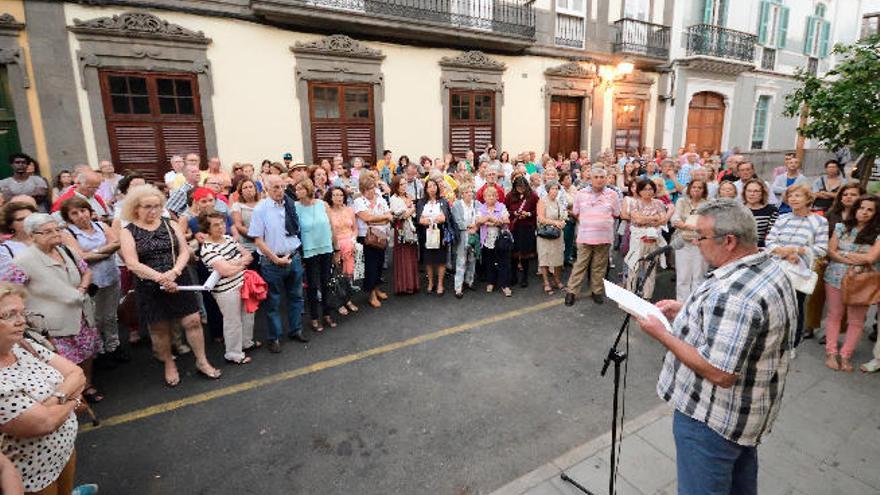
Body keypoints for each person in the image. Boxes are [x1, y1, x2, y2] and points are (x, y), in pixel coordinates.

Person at [637, 199, 796, 495]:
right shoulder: (767, 268)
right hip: (744, 418)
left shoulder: (734, 295)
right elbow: (741, 325)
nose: (697, 243)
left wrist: (662, 334)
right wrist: (687, 308)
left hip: (711, 421)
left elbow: (720, 373)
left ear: (730, 241)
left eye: (702, 237)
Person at [119, 185, 221, 385]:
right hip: (149, 286)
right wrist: (160, 278)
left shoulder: (170, 224)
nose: (153, 210)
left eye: (157, 206)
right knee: (159, 329)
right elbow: (132, 263)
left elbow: (184, 252)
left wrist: (173, 273)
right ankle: (168, 363)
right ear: (135, 208)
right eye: (148, 206)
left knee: (192, 321)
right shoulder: (128, 231)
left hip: (178, 279)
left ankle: (202, 361)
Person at [0, 282, 90, 495]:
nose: (21, 321)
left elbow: (77, 373)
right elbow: (44, 424)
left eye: (22, 313)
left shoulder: (21, 345)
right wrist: (73, 399)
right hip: (33, 473)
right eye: (10, 315)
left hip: (63, 450)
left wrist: (54, 400)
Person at [4, 214, 104, 403]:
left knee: (87, 351)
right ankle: (74, 394)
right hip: (51, 321)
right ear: (32, 235)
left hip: (81, 314)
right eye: (48, 231)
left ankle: (87, 384)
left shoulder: (65, 250)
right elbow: (10, 290)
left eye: (57, 229)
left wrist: (82, 288)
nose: (56, 234)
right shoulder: (22, 261)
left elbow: (86, 271)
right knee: (64, 360)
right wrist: (23, 313)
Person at [59, 197, 124, 362]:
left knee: (110, 315)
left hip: (112, 276)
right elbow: (79, 257)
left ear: (89, 211)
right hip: (91, 283)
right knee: (94, 318)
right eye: (75, 213)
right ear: (69, 218)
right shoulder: (68, 233)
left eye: (83, 210)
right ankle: (99, 350)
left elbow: (117, 243)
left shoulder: (102, 226)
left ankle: (113, 345)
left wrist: (93, 253)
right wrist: (104, 252)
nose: (81, 215)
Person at [248, 175, 308, 353]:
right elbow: (258, 240)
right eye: (275, 187)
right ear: (266, 189)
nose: (279, 191)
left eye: (282, 187)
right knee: (273, 302)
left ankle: (295, 330)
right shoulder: (260, 209)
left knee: (296, 296)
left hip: (293, 257)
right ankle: (274, 337)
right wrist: (275, 259)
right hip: (271, 262)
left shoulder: (291, 204)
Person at [821, 195, 880, 372]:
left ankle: (846, 355)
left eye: (870, 209)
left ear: (876, 213)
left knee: (856, 320)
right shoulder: (841, 227)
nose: (864, 212)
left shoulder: (877, 233)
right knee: (835, 315)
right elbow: (831, 251)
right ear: (855, 209)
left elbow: (871, 258)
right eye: (862, 208)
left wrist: (844, 255)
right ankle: (831, 352)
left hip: (862, 282)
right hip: (835, 277)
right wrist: (856, 259)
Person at [765, 184, 829, 344]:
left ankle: (792, 342)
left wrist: (798, 251)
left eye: (798, 195)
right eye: (791, 195)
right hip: (777, 268)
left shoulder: (820, 221)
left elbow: (821, 249)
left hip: (800, 271)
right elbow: (770, 242)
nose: (793, 198)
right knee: (774, 304)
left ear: (808, 199)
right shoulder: (782, 218)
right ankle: (772, 339)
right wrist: (785, 253)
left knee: (795, 306)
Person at [811, 183, 866, 343]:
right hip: (825, 259)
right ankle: (810, 326)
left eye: (853, 194)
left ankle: (832, 333)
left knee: (842, 301)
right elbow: (820, 236)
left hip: (850, 265)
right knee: (816, 295)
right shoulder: (831, 214)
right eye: (845, 194)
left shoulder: (863, 217)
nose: (848, 197)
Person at [198, 211, 256, 364]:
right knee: (232, 321)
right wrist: (239, 262)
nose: (221, 227)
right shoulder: (207, 249)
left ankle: (246, 343)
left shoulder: (229, 239)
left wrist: (232, 263)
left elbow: (249, 256)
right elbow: (226, 271)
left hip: (242, 283)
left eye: (222, 223)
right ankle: (234, 354)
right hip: (226, 290)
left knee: (247, 314)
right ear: (207, 228)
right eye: (216, 225)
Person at [564, 168, 620, 305]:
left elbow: (617, 213)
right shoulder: (581, 193)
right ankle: (571, 292)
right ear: (590, 179)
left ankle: (597, 291)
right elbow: (575, 212)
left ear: (606, 179)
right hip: (585, 236)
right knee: (580, 265)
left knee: (599, 266)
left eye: (602, 177)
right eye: (596, 177)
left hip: (604, 237)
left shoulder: (613, 194)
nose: (599, 179)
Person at [294, 177, 336, 332]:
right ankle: (314, 317)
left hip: (326, 248)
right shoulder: (295, 207)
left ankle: (327, 314)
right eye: (296, 189)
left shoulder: (322, 204)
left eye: (300, 189)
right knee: (312, 286)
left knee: (326, 283)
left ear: (308, 189)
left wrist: (336, 248)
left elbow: (332, 227)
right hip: (309, 250)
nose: (297, 192)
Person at [623, 179, 672, 300]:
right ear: (639, 191)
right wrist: (654, 218)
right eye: (645, 189)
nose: (648, 192)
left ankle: (646, 297)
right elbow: (637, 220)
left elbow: (663, 220)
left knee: (650, 269)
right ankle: (629, 297)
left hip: (653, 239)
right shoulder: (635, 203)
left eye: (650, 189)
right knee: (633, 266)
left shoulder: (659, 203)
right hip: (638, 239)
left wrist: (646, 219)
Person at [353, 173, 392, 307]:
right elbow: (367, 218)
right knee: (370, 266)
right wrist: (383, 217)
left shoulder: (380, 198)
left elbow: (389, 215)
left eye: (373, 187)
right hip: (367, 238)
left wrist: (379, 217)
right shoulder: (358, 201)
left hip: (381, 236)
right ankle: (371, 294)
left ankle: (377, 288)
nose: (372, 191)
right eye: (369, 188)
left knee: (379, 263)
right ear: (363, 190)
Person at [672, 179, 709, 301]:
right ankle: (681, 306)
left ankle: (696, 305)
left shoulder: (709, 204)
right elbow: (675, 220)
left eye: (700, 187)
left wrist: (697, 230)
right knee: (683, 277)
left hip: (701, 243)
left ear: (704, 190)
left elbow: (710, 224)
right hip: (683, 242)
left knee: (698, 276)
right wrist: (688, 226)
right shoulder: (682, 201)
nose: (696, 190)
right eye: (694, 187)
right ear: (689, 189)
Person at [416, 177, 454, 296]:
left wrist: (429, 219)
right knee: (428, 260)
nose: (432, 189)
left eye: (434, 186)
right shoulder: (421, 202)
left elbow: (444, 218)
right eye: (429, 186)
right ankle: (430, 283)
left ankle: (440, 284)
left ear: (437, 187)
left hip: (440, 233)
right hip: (426, 234)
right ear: (426, 189)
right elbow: (420, 220)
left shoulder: (442, 201)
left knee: (441, 260)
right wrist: (433, 220)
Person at [324, 186, 359, 315]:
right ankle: (339, 303)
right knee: (336, 276)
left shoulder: (349, 210)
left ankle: (348, 300)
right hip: (336, 246)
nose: (339, 198)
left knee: (348, 275)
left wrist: (353, 241)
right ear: (330, 197)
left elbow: (355, 228)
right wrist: (335, 248)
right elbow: (328, 232)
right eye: (335, 195)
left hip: (350, 245)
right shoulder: (328, 212)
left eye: (341, 195)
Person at [476, 186, 511, 296]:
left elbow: (506, 220)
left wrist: (488, 220)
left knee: (503, 262)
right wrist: (493, 219)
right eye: (488, 196)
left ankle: (504, 285)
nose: (491, 197)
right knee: (489, 262)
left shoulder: (501, 206)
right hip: (487, 240)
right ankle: (491, 282)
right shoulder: (481, 208)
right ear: (484, 197)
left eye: (493, 195)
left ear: (497, 197)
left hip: (500, 239)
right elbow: (478, 221)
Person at [505, 175, 538, 288]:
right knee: (513, 254)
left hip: (527, 228)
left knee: (525, 254)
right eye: (519, 187)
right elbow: (505, 210)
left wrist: (528, 214)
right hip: (514, 228)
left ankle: (524, 277)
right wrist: (514, 213)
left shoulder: (533, 196)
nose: (521, 189)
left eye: (523, 187)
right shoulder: (510, 195)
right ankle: (513, 276)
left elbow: (537, 211)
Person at [389, 176, 419, 295]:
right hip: (400, 228)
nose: (404, 186)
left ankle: (412, 284)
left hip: (410, 228)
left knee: (411, 254)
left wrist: (410, 210)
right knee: (403, 254)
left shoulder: (408, 196)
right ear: (396, 186)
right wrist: (411, 209)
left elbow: (413, 213)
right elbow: (402, 215)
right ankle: (403, 286)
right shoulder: (394, 198)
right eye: (401, 184)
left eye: (405, 184)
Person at [536, 180, 566, 295]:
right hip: (545, 234)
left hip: (557, 233)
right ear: (548, 190)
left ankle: (556, 280)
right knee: (545, 257)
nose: (554, 191)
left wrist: (562, 222)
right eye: (552, 188)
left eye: (556, 189)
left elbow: (563, 216)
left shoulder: (558, 202)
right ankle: (546, 282)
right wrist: (555, 222)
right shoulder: (542, 201)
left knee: (558, 258)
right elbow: (541, 219)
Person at [451, 182, 479, 299]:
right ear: (461, 194)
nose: (469, 194)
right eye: (466, 192)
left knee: (472, 259)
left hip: (473, 235)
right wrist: (469, 227)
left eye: (471, 191)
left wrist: (476, 226)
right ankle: (458, 287)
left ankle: (469, 281)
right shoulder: (457, 205)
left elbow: (479, 217)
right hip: (463, 236)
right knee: (461, 261)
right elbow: (457, 221)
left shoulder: (476, 204)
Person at [231, 179, 260, 265]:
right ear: (241, 192)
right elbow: (239, 226)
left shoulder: (264, 203)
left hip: (267, 245)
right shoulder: (237, 206)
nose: (248, 189)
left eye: (251, 187)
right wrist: (257, 237)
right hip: (248, 247)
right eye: (245, 188)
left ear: (255, 189)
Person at [741, 179, 778, 248]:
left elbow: (771, 235)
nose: (752, 194)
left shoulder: (772, 210)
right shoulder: (738, 209)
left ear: (762, 193)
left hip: (762, 249)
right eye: (749, 191)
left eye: (756, 191)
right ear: (744, 192)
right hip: (740, 249)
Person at [0, 202, 36, 272]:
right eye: (20, 219)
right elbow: (6, 278)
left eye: (31, 217)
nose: (27, 221)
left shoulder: (49, 239)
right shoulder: (5, 249)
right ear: (10, 225)